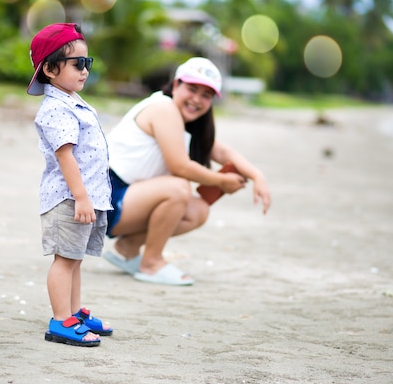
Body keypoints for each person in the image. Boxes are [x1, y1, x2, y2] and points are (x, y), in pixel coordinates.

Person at [103, 57, 271, 286]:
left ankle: (129, 246)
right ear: (175, 86)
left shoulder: (184, 122)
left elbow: (222, 153)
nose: (197, 99)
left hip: (124, 198)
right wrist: (222, 181)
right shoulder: (163, 109)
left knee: (198, 210)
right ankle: (151, 263)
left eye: (206, 95)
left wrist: (257, 175)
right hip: (106, 197)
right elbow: (179, 166)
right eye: (192, 89)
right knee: (178, 187)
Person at [28, 23, 113, 347]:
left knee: (74, 258)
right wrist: (81, 197)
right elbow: (66, 157)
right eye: (78, 63)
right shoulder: (54, 109)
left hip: (82, 197)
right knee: (65, 259)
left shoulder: (72, 101)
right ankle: (61, 320)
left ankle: (74, 312)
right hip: (68, 198)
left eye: (87, 63)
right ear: (50, 69)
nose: (85, 70)